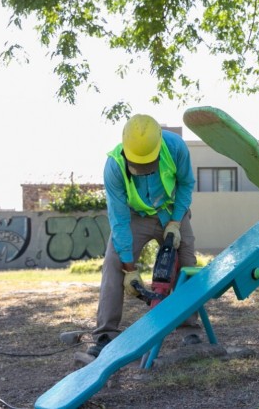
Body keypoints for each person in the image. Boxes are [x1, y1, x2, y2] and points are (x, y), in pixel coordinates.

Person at [88, 114, 198, 358]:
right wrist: (130, 270)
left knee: (187, 263)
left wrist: (176, 223)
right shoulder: (114, 166)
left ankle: (190, 330)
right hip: (135, 215)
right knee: (113, 263)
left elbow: (186, 184)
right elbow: (119, 220)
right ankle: (105, 335)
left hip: (171, 211)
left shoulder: (176, 147)